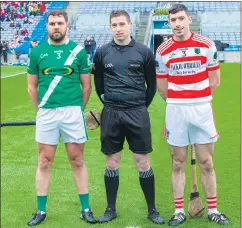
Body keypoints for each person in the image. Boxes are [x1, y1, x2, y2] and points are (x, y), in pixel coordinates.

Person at [155, 4, 230, 226]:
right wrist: (180, 102)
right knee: (177, 162)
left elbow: (214, 81)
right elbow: (162, 88)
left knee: (207, 162)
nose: (177, 24)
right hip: (176, 110)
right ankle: (179, 211)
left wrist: (197, 99)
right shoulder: (162, 51)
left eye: (180, 19)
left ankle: (213, 210)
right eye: (173, 21)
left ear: (189, 19)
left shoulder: (206, 45)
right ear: (169, 23)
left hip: (201, 109)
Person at [93, 10, 165, 225]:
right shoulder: (102, 52)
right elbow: (98, 85)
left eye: (122, 24)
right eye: (114, 25)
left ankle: (152, 210)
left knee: (142, 162)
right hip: (111, 113)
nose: (118, 28)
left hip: (137, 112)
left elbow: (151, 86)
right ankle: (110, 209)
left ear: (130, 24)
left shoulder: (144, 52)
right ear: (110, 27)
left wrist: (140, 106)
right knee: (112, 162)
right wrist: (110, 104)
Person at [27, 10, 96, 226]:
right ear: (46, 26)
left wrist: (77, 109)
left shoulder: (78, 52)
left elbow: (87, 87)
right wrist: (42, 110)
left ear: (67, 25)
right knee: (44, 160)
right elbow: (31, 87)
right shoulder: (38, 52)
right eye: (52, 23)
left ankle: (86, 208)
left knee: (77, 159)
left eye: (60, 23)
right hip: (47, 113)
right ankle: (40, 211)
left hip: (72, 112)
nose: (56, 26)